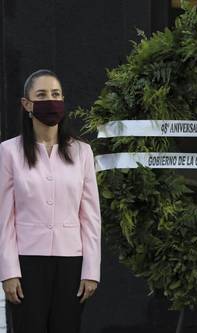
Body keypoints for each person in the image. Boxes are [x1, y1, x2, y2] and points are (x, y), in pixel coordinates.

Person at [0, 69, 101, 333]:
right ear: (27, 104)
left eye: (56, 94)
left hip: (71, 262)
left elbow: (90, 217)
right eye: (42, 95)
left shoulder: (82, 152)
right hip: (26, 262)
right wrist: (8, 271)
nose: (51, 100)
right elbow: (4, 218)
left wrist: (91, 270)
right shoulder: (9, 152)